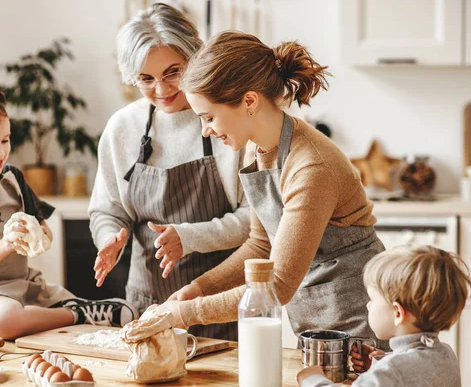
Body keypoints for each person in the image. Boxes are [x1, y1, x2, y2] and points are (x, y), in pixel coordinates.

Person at [151, 31, 389, 349]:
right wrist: (200, 288)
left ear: (249, 101)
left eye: (208, 117)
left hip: (359, 328)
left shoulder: (311, 166)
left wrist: (184, 314)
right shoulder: (257, 150)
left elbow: (275, 286)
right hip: (313, 327)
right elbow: (261, 247)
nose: (206, 131)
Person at [88, 4, 250, 340]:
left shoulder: (226, 120)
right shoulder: (123, 128)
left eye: (173, 72)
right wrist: (109, 239)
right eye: (146, 79)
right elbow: (108, 209)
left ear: (195, 57)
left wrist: (189, 237)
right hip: (147, 305)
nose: (162, 90)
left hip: (221, 305)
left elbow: (256, 221)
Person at [0, 86, 137, 339]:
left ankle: (84, 309)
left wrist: (39, 234)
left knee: (19, 311)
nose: (0, 152)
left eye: (5, 140)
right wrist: (6, 243)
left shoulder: (12, 178)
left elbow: (42, 225)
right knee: (6, 321)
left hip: (21, 285)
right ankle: (81, 314)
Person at [297, 245, 471, 387]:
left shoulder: (393, 371)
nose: (368, 306)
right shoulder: (446, 354)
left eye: (372, 299)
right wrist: (377, 363)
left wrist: (313, 382)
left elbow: (397, 373)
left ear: (398, 313)